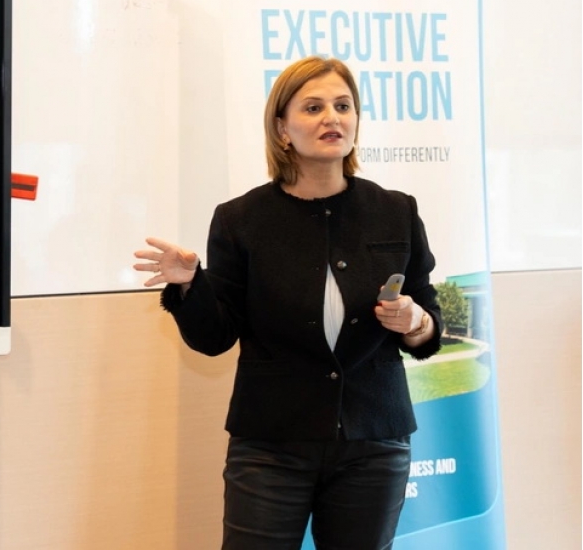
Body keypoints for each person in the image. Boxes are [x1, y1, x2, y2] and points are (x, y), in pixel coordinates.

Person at [133, 56, 442, 550]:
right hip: (270, 444)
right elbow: (214, 338)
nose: (332, 118)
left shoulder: (395, 210)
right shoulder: (240, 219)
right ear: (282, 129)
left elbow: (428, 323)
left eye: (343, 106)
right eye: (313, 107)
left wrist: (416, 320)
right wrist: (191, 285)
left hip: (373, 440)